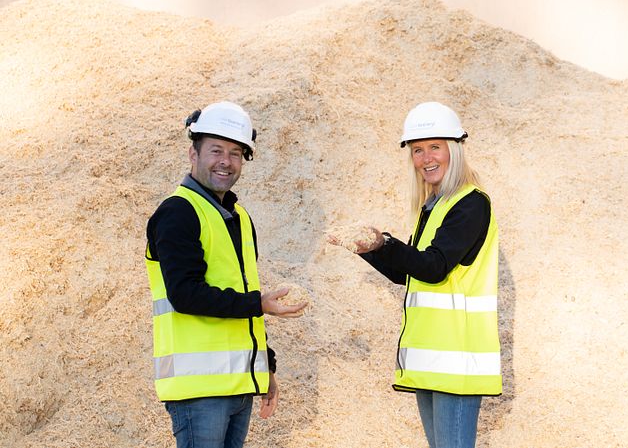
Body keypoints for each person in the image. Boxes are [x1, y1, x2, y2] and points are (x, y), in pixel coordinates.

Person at [328, 102, 502, 448]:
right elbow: (406, 273)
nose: (425, 158)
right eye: (418, 150)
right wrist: (367, 247)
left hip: (458, 360)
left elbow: (435, 267)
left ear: (454, 149)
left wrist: (385, 242)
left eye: (435, 147)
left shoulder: (470, 203)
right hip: (433, 360)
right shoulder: (435, 205)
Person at [145, 101, 307, 448]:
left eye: (236, 153)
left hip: (238, 384)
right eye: (216, 150)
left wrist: (266, 364)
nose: (226, 161)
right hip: (199, 390)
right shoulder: (178, 212)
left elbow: (242, 293)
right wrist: (260, 304)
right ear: (194, 153)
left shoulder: (239, 218)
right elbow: (185, 293)